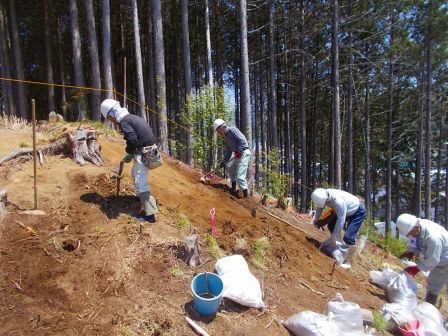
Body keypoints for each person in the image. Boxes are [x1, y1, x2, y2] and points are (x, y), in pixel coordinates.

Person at [100, 99, 158, 223]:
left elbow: (132, 140)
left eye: (110, 119)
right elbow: (140, 136)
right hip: (148, 150)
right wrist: (131, 153)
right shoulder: (132, 117)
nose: (111, 121)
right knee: (134, 173)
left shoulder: (124, 121)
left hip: (144, 152)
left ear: (112, 114)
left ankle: (150, 215)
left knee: (140, 182)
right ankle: (140, 197)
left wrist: (129, 152)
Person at [396, 213, 448, 305]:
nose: (409, 235)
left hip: (444, 259)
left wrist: (416, 269)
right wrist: (411, 251)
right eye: (408, 234)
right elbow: (414, 240)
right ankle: (428, 309)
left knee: (437, 285)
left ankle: (430, 309)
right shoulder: (417, 227)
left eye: (410, 233)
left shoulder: (433, 237)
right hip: (440, 258)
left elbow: (433, 260)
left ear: (416, 226)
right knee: (433, 285)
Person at [311, 188, 366, 258]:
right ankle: (338, 246)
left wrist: (334, 235)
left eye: (325, 203)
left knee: (348, 237)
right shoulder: (323, 195)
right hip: (345, 210)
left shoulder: (338, 201)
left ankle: (349, 257)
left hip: (358, 211)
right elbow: (320, 207)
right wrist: (315, 219)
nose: (325, 204)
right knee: (331, 226)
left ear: (327, 199)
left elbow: (341, 219)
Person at [213, 119, 251, 198]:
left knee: (240, 176)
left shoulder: (233, 130)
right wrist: (224, 162)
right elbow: (228, 151)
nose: (218, 133)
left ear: (221, 128)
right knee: (232, 170)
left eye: (217, 130)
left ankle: (246, 196)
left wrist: (238, 151)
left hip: (243, 153)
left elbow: (242, 141)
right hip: (238, 154)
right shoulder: (226, 137)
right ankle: (233, 189)